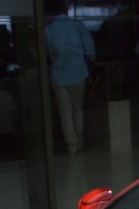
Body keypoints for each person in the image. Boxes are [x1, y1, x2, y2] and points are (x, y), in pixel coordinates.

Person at [46, 1, 95, 155]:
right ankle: (79, 141)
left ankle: (71, 145)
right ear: (65, 9)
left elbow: (48, 52)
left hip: (58, 75)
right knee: (77, 109)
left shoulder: (48, 29)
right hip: (77, 72)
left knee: (65, 111)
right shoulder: (77, 25)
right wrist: (92, 60)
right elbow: (89, 47)